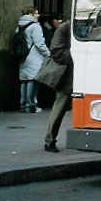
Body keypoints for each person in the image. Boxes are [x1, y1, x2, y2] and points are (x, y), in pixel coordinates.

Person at [44, 20, 73, 152]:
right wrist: (75, 56)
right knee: (60, 106)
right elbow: (56, 51)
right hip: (68, 75)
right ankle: (50, 140)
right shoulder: (65, 27)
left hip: (79, 73)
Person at [18, 6, 49, 113]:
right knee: (32, 80)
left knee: (24, 80)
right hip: (34, 56)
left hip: (22, 55)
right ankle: (31, 105)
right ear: (31, 14)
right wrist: (48, 54)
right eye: (36, 13)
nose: (38, 15)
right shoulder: (35, 26)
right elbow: (39, 44)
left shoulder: (19, 25)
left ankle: (23, 104)